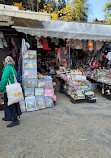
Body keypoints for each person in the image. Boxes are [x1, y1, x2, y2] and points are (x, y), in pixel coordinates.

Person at [0, 56, 22, 127]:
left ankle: (15, 120)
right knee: (12, 103)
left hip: (8, 90)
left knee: (10, 104)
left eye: (4, 61)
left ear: (6, 61)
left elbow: (4, 80)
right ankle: (9, 117)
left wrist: (0, 88)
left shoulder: (7, 68)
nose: (3, 63)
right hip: (13, 89)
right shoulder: (12, 68)